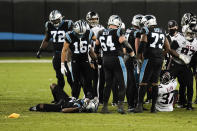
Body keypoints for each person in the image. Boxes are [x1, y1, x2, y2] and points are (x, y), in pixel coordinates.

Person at [134, 15, 184, 113]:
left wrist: (138, 56)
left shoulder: (146, 30)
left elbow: (143, 44)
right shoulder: (162, 30)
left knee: (143, 82)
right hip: (159, 59)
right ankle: (153, 108)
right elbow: (168, 48)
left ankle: (139, 106)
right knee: (155, 83)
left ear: (147, 23)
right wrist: (160, 55)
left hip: (149, 59)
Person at [95, 15, 135, 114]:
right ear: (118, 23)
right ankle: (120, 107)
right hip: (117, 59)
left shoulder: (100, 32)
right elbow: (124, 43)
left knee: (108, 84)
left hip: (105, 60)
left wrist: (99, 60)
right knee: (122, 83)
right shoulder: (118, 31)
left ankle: (104, 107)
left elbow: (96, 49)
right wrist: (132, 54)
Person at [36, 10, 73, 103]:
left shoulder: (68, 24)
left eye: (57, 20)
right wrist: (40, 50)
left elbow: (73, 38)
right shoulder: (49, 25)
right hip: (56, 54)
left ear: (61, 18)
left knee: (69, 77)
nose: (55, 23)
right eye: (54, 21)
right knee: (59, 77)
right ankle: (59, 98)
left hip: (67, 53)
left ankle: (74, 97)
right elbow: (47, 39)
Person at [61, 20, 96, 99]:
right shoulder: (69, 35)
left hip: (85, 60)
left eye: (82, 34)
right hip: (75, 61)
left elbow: (97, 41)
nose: (80, 36)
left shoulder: (89, 33)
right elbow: (64, 50)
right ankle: (74, 99)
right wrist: (62, 64)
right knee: (76, 82)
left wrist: (91, 49)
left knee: (88, 81)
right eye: (78, 34)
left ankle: (89, 99)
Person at [168, 24, 197, 110]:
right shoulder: (179, 38)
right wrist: (180, 56)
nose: (190, 35)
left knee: (189, 84)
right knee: (168, 82)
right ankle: (166, 102)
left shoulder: (196, 42)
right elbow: (171, 49)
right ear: (184, 32)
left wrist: (191, 64)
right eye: (188, 33)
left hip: (185, 65)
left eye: (192, 33)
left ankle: (189, 104)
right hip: (175, 63)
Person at [29, 83, 99, 113]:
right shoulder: (84, 103)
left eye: (92, 102)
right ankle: (56, 100)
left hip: (60, 106)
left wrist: (78, 108)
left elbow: (63, 110)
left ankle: (36, 108)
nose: (90, 101)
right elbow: (89, 95)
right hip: (67, 99)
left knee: (40, 106)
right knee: (53, 85)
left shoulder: (79, 109)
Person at [125, 14, 143, 112]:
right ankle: (131, 104)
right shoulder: (136, 32)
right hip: (132, 59)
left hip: (127, 58)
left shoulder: (128, 30)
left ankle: (134, 103)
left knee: (133, 82)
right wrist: (138, 59)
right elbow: (137, 47)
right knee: (133, 83)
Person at [86, 11, 105, 104]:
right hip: (87, 56)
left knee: (98, 79)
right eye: (91, 19)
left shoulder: (102, 28)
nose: (93, 21)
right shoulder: (85, 28)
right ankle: (90, 95)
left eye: (95, 19)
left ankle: (97, 97)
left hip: (98, 55)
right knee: (87, 79)